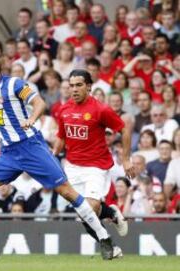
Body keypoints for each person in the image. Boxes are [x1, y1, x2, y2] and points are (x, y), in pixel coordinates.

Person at [0, 49, 116, 260]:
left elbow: (39, 103)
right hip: (8, 152)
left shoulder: (15, 84)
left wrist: (32, 119)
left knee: (66, 191)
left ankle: (103, 237)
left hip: (30, 146)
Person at [53, 69, 135, 256]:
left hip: (96, 167)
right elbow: (61, 137)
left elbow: (124, 130)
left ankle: (107, 241)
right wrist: (52, 157)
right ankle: (111, 222)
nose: (74, 89)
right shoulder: (64, 110)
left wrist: (125, 159)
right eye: (71, 85)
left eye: (79, 85)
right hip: (72, 167)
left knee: (88, 209)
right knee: (85, 214)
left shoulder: (101, 109)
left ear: (89, 87)